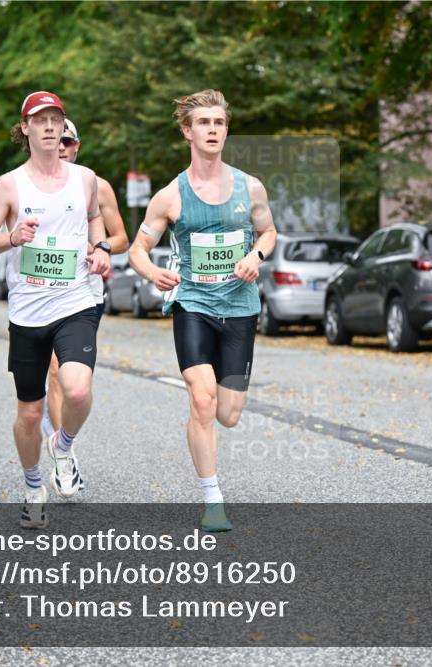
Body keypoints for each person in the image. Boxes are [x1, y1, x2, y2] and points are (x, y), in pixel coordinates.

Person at [128, 89, 277, 532]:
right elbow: (138, 249)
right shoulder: (169, 196)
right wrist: (152, 273)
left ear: (226, 130)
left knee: (229, 413)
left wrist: (257, 256)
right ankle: (213, 500)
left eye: (219, 123)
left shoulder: (250, 186)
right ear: (187, 131)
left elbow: (268, 233)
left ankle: (207, 429)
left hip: (240, 306)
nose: (212, 130)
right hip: (192, 303)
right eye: (203, 123)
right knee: (203, 398)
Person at [0, 91, 110, 529]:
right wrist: (11, 239)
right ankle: (33, 484)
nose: (50, 127)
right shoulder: (9, 184)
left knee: (77, 390)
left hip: (75, 301)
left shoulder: (84, 178)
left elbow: (94, 217)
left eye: (56, 119)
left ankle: (64, 446)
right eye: (41, 120)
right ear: (25, 128)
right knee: (30, 413)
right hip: (27, 311)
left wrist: (102, 247)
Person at [41, 117, 130, 443]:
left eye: (68, 142)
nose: (61, 147)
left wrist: (103, 247)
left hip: (84, 293)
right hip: (41, 293)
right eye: (56, 141)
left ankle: (62, 442)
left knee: (70, 380)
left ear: (76, 147)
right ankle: (61, 451)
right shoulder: (28, 184)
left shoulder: (97, 186)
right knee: (52, 371)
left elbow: (122, 238)